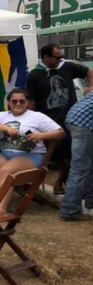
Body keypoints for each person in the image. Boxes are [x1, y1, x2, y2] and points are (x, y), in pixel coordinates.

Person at [26, 43, 93, 195]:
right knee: (59, 156)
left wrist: (92, 86)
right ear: (46, 57)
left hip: (73, 121)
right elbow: (32, 102)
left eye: (61, 57)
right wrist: (31, 121)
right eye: (57, 57)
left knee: (74, 155)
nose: (60, 60)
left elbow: (89, 71)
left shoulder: (67, 67)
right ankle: (70, 185)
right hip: (50, 123)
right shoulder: (34, 75)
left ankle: (67, 185)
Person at [59, 91, 93, 221]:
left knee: (88, 165)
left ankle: (91, 202)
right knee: (79, 168)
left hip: (75, 120)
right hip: (83, 125)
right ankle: (70, 211)